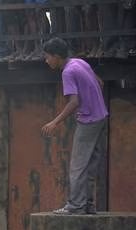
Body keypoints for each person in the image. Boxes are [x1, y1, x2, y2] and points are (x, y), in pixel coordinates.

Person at [40, 37, 108, 215]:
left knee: (77, 165)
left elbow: (74, 102)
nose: (46, 61)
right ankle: (88, 205)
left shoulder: (67, 72)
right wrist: (93, 102)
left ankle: (76, 205)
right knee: (90, 164)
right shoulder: (79, 62)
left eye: (47, 57)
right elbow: (100, 83)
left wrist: (55, 122)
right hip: (101, 117)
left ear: (56, 56)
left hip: (89, 121)